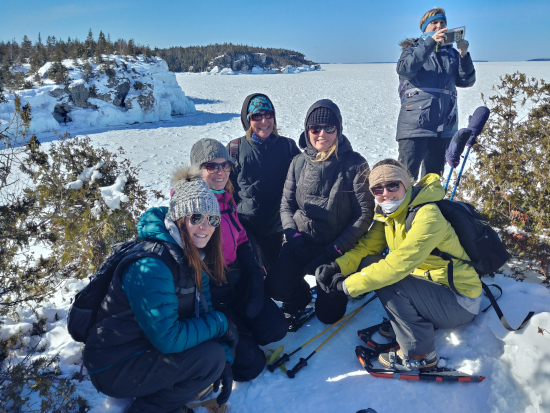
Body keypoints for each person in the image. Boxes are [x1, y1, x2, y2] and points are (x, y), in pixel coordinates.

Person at [83, 166, 237, 413]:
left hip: (144, 348)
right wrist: (220, 326)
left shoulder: (194, 255)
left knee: (216, 357)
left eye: (212, 219)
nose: (205, 226)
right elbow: (169, 339)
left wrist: (226, 361)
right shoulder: (152, 264)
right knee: (209, 359)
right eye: (196, 217)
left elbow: (204, 311)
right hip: (114, 363)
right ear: (179, 217)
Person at [316, 159, 482, 370]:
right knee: (370, 262)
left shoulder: (427, 215)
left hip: (459, 302)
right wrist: (337, 267)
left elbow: (398, 265)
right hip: (432, 290)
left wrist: (346, 286)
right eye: (378, 188)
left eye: (392, 185)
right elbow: (367, 248)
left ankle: (420, 354)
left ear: (406, 184)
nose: (386, 192)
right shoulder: (389, 215)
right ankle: (415, 320)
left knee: (386, 278)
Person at [267, 99, 375, 326]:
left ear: (338, 130)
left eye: (329, 128)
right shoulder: (298, 162)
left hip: (335, 247)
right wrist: (293, 237)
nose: (321, 134)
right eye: (315, 129)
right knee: (276, 287)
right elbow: (286, 206)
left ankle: (344, 285)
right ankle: (302, 296)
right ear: (307, 131)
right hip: (301, 242)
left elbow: (364, 213)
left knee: (329, 316)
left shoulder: (355, 164)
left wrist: (337, 248)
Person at [190, 138, 288, 382]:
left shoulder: (225, 197)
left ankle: (244, 330)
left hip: (237, 280)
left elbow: (241, 238)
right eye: (211, 166)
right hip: (214, 293)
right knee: (250, 367)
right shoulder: (191, 207)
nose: (220, 171)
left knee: (277, 329)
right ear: (197, 169)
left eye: (225, 165)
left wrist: (254, 277)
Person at [396, 7, 476, 180]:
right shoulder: (412, 49)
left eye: (443, 23)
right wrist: (429, 44)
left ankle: (429, 207)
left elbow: (466, 81)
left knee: (433, 181)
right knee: (405, 179)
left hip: (444, 125)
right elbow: (404, 70)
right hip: (415, 125)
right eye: (434, 23)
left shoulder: (451, 54)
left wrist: (464, 56)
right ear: (424, 27)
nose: (439, 26)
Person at [228, 93, 301, 272]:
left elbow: (305, 179)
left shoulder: (288, 147)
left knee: (279, 280)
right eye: (256, 116)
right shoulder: (235, 149)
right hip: (245, 228)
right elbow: (225, 191)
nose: (264, 121)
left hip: (276, 228)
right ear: (248, 120)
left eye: (268, 114)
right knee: (252, 277)